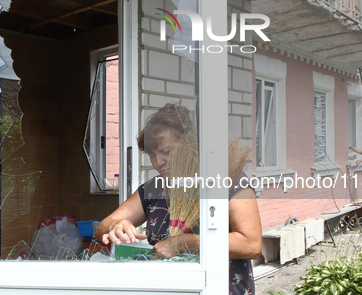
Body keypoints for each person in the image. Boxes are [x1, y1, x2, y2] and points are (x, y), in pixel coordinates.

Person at [95, 103, 262, 294]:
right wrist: (114, 226)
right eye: (152, 155)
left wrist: (186, 242)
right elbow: (102, 228)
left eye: (166, 152)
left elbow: (252, 245)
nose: (158, 162)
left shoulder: (229, 181)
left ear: (191, 146)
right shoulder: (154, 189)